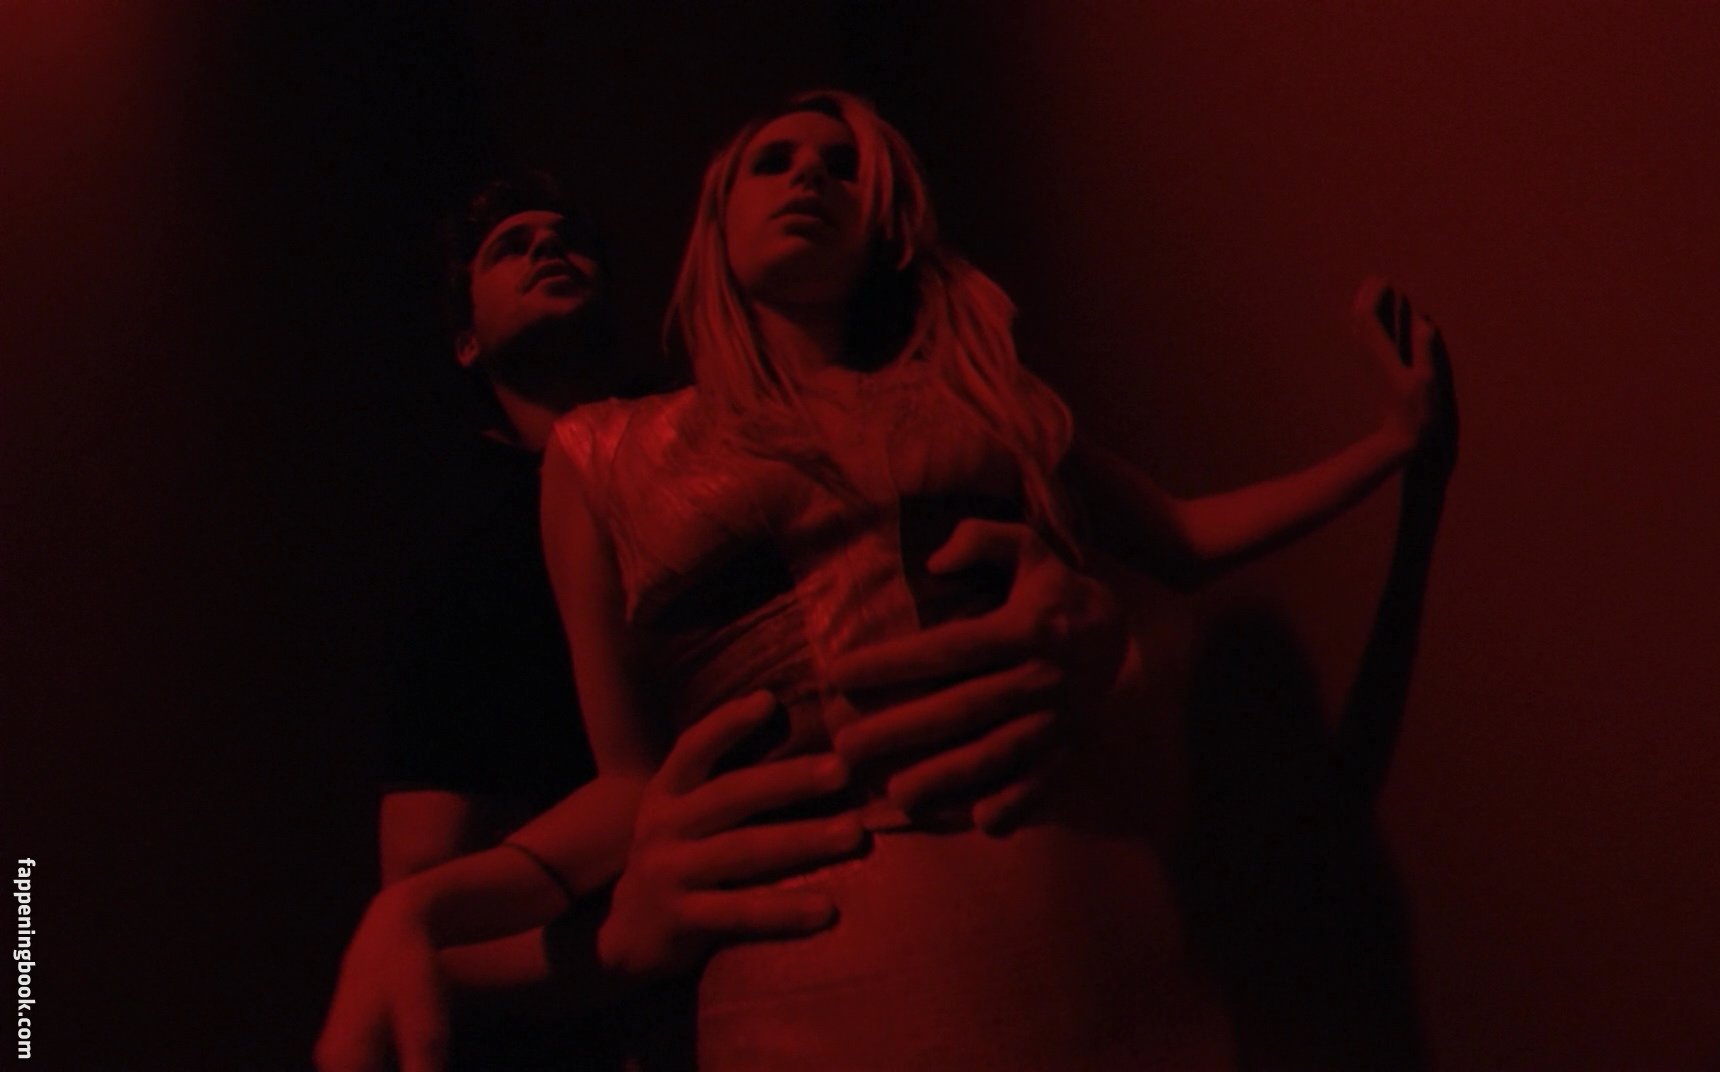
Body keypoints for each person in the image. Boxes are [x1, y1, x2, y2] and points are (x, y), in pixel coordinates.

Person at [532, 90, 1453, 1070]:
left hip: (1089, 928)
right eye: (774, 159)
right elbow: (629, 782)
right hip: (803, 972)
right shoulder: (608, 451)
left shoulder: (980, 400)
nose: (808, 176)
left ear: (884, 226)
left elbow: (1181, 534)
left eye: (843, 167)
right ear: (715, 221)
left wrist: (1393, 445)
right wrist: (455, 919)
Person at [318, 171, 1133, 1072]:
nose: (547, 246)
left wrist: (1088, 625)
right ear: (465, 341)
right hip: (668, 1016)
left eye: (568, 236)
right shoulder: (464, 569)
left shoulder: (725, 450)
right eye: (510, 246)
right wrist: (616, 946)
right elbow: (424, 927)